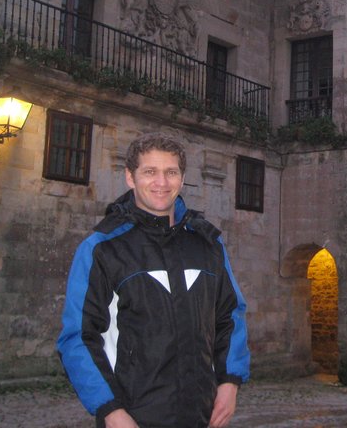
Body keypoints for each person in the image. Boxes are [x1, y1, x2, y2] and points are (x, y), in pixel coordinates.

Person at [57, 133, 250, 428]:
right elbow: (78, 338)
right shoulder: (102, 249)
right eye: (150, 172)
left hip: (201, 416)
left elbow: (229, 316)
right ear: (130, 178)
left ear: (182, 179)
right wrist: (110, 410)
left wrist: (229, 382)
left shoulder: (208, 246)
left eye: (171, 172)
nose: (162, 182)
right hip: (132, 417)